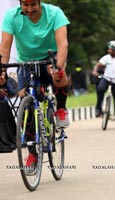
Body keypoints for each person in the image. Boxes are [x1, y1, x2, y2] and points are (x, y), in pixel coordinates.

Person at [0, 0, 70, 166]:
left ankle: (60, 109)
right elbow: (5, 46)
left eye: (33, 5)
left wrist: (57, 67)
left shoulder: (54, 13)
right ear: (20, 4)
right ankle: (33, 155)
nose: (29, 9)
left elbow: (63, 45)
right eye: (25, 5)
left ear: (40, 3)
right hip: (26, 61)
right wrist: (2, 70)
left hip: (49, 58)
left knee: (59, 77)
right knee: (26, 102)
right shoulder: (11, 16)